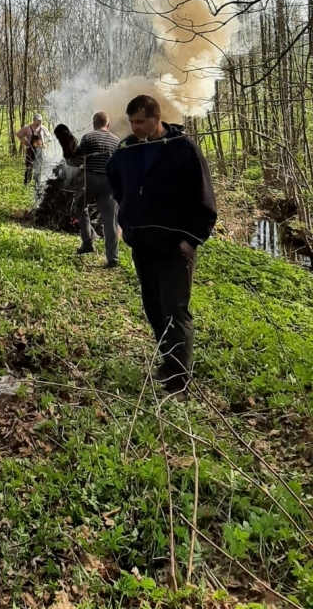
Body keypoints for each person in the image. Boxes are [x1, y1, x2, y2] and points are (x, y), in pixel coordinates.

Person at [106, 95, 217, 394]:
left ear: (157, 118)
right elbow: (114, 178)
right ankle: (169, 362)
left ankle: (179, 379)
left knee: (174, 308)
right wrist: (128, 216)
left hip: (175, 246)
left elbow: (205, 199)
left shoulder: (183, 150)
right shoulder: (127, 149)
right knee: (153, 307)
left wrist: (191, 239)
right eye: (131, 122)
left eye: (140, 121)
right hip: (142, 243)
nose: (135, 127)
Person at [75, 111, 121, 266]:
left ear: (94, 124)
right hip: (109, 182)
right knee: (110, 220)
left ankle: (87, 241)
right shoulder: (116, 140)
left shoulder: (88, 137)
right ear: (107, 124)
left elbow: (80, 158)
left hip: (90, 179)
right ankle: (112, 257)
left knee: (80, 205)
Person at [16, 114, 51, 189]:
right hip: (30, 151)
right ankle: (26, 184)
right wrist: (24, 142)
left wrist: (45, 144)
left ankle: (37, 184)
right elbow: (19, 134)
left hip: (40, 151)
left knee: (38, 167)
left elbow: (49, 137)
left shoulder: (43, 128)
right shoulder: (27, 128)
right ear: (34, 120)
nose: (39, 122)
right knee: (29, 167)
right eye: (38, 120)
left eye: (40, 120)